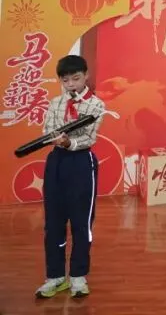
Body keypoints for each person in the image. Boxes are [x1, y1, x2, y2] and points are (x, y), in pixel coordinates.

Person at [35, 55, 106, 299]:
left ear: (86, 75)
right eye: (66, 81)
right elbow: (47, 130)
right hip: (56, 162)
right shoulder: (55, 103)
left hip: (81, 162)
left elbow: (89, 137)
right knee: (53, 222)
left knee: (81, 223)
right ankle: (55, 276)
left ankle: (78, 276)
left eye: (76, 78)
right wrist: (56, 139)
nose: (71, 84)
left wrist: (69, 141)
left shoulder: (96, 105)